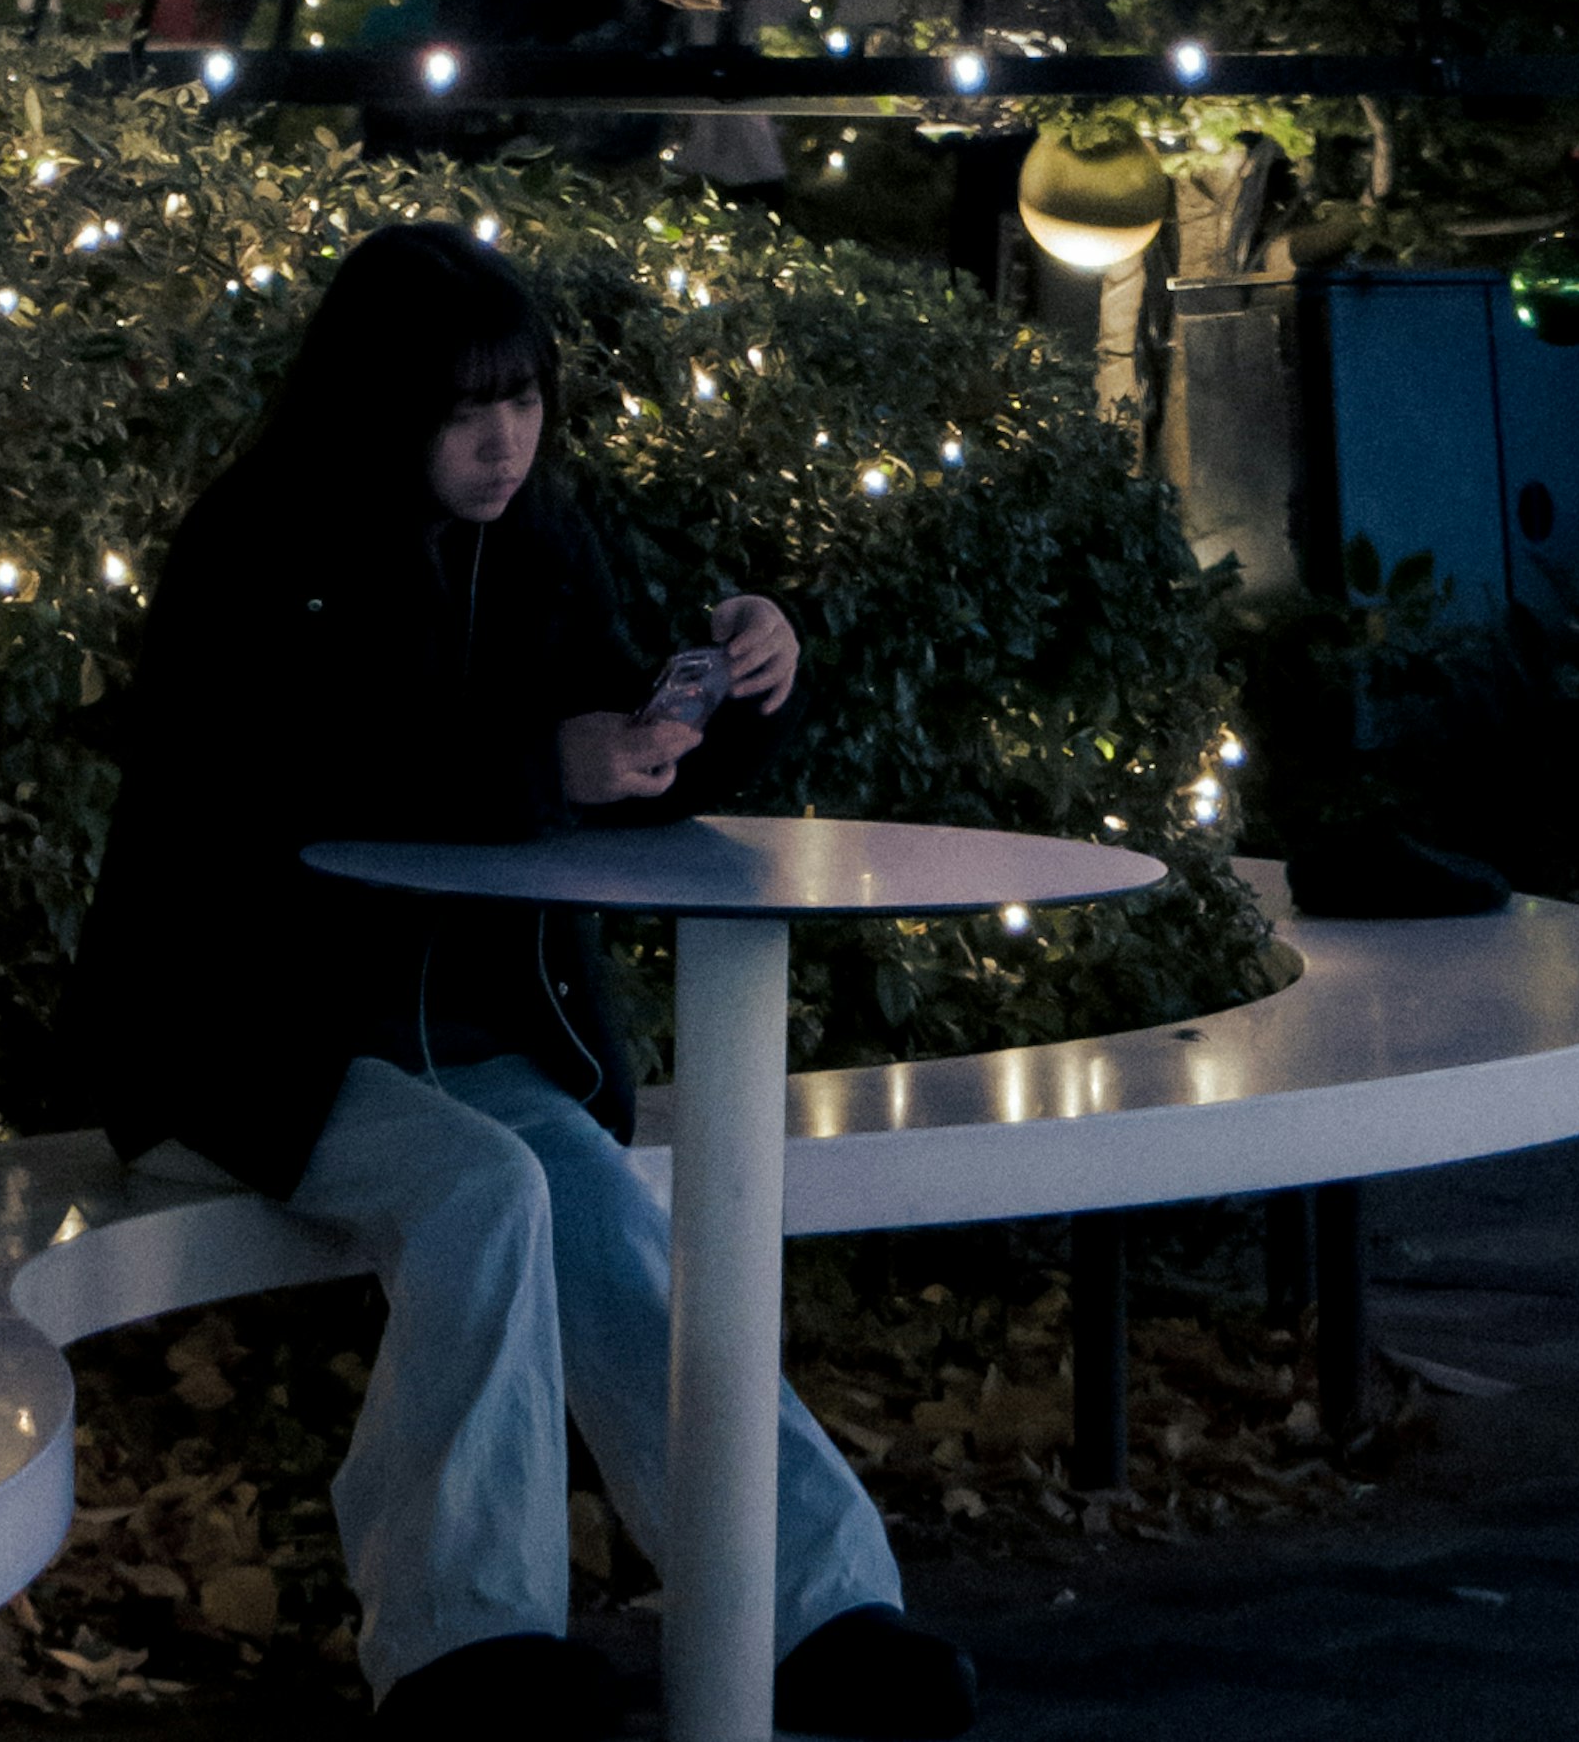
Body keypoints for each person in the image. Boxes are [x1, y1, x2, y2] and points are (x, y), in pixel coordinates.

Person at [56, 217, 968, 1742]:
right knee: (486, 1192)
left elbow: (617, 743)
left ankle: (812, 1608)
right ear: (379, 406)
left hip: (472, 1038)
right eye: (466, 410)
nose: (505, 441)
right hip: (243, 1045)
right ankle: (457, 1648)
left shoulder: (536, 534)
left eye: (527, 401)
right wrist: (533, 763)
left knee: (601, 1209)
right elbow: (283, 778)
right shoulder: (257, 546)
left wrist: (733, 690)